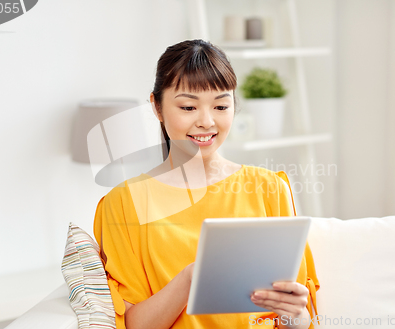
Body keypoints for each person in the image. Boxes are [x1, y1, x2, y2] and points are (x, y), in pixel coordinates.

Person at [93, 39, 320, 329]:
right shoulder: (124, 203)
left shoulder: (268, 188)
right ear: (157, 107)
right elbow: (135, 325)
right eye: (188, 107)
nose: (206, 121)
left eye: (221, 106)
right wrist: (190, 279)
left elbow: (304, 319)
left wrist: (294, 315)